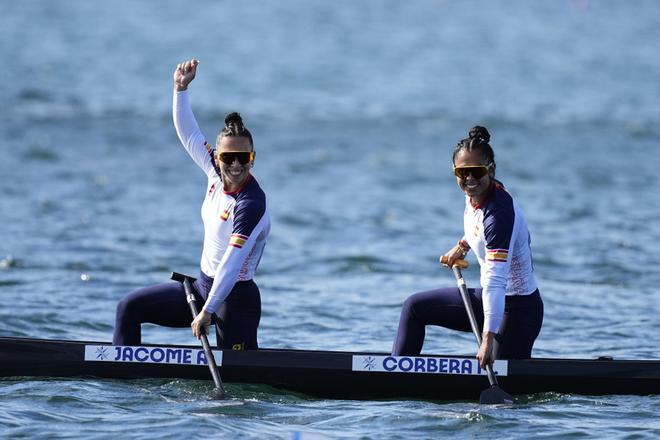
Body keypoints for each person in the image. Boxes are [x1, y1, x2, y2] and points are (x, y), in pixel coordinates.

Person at [113, 59, 270, 350]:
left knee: (238, 386)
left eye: (243, 158)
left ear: (253, 158)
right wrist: (180, 89)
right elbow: (189, 134)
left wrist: (208, 312)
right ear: (218, 158)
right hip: (200, 288)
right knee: (128, 308)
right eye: (227, 157)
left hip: (235, 301)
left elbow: (231, 265)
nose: (235, 165)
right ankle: (120, 379)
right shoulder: (213, 169)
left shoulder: (250, 204)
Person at [392, 126, 543, 367]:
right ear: (455, 172)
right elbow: (477, 224)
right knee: (414, 307)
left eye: (476, 171)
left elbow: (495, 281)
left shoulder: (499, 216)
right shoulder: (476, 192)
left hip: (517, 311)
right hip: (490, 301)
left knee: (504, 387)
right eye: (463, 173)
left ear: (491, 171)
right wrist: (462, 246)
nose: (470, 179)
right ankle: (395, 373)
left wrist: (487, 339)